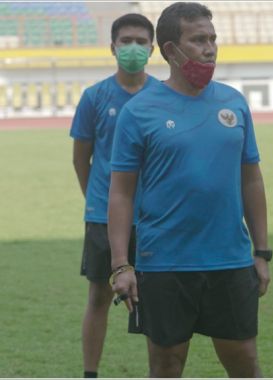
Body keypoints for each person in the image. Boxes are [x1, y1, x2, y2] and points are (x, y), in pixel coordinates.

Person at [107, 2, 271, 378]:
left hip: (229, 260)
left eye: (212, 39)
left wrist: (262, 252)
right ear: (170, 51)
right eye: (198, 40)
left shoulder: (234, 103)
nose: (210, 48)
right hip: (165, 262)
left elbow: (252, 179)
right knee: (166, 365)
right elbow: (120, 194)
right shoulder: (139, 111)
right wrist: (120, 264)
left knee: (245, 362)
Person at [70, 13, 158, 378]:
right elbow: (81, 158)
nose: (133, 48)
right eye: (126, 41)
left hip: (154, 217)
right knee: (98, 297)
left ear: (153, 48)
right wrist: (99, 201)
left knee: (158, 301)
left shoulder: (163, 95)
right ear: (112, 47)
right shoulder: (95, 97)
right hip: (104, 217)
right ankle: (90, 373)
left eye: (141, 41)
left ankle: (162, 370)